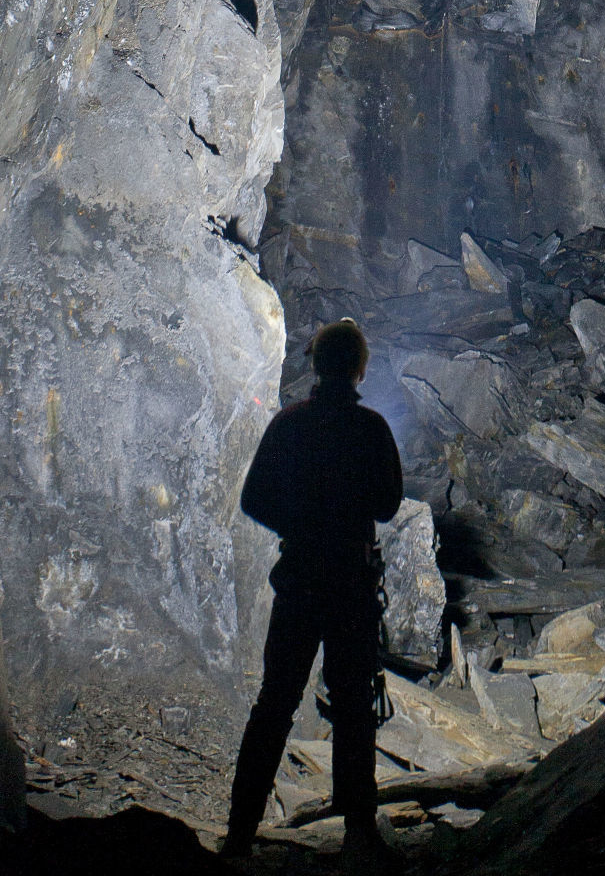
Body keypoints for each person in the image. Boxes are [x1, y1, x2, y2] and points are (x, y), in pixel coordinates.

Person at [221, 319, 403, 863]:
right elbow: (390, 505)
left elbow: (253, 499)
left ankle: (238, 832)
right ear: (358, 369)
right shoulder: (370, 429)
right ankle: (359, 831)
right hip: (349, 581)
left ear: (316, 365)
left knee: (275, 702)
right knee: (353, 706)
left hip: (300, 580)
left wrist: (299, 523)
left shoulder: (290, 425)